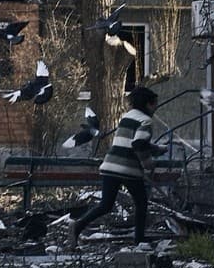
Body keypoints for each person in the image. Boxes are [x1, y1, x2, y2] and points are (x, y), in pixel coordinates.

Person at [66, 85, 161, 248]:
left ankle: (78, 226)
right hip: (128, 169)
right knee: (141, 203)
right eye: (155, 104)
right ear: (148, 104)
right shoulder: (146, 121)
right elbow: (138, 143)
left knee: (105, 205)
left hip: (110, 165)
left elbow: (130, 141)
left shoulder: (127, 117)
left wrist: (156, 149)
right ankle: (139, 239)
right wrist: (148, 163)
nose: (156, 107)